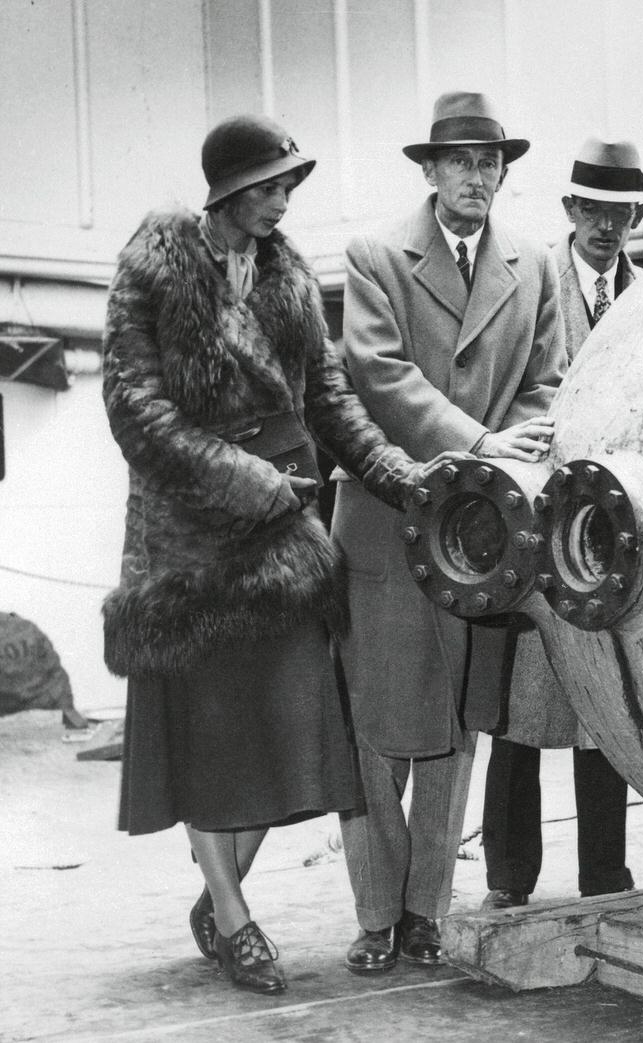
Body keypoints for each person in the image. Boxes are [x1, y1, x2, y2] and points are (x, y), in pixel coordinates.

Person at [101, 115, 449, 996]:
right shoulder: (154, 269)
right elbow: (134, 409)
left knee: (295, 735)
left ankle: (220, 897)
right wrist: (246, 477)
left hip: (284, 542)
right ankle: (237, 920)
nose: (283, 200)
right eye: (268, 187)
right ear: (225, 191)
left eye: (289, 185)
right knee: (213, 748)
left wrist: (401, 475)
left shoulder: (289, 274)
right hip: (192, 549)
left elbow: (331, 398)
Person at [332, 91, 567, 975]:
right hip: (389, 520)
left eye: (493, 160)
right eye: (463, 161)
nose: (482, 175)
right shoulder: (374, 256)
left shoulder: (534, 263)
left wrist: (509, 454)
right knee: (377, 729)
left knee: (455, 726)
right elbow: (378, 374)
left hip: (480, 530)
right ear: (429, 171)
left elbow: (548, 382)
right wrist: (476, 443)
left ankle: (425, 909)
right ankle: (373, 910)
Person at [478, 137, 643, 912]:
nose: (606, 227)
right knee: (521, 713)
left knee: (605, 712)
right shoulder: (530, 281)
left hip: (608, 532)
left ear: (635, 216)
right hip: (535, 522)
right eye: (593, 210)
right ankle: (508, 878)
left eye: (621, 212)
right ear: (569, 211)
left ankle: (604, 875)